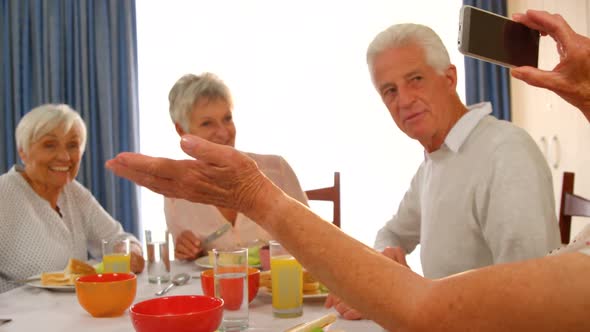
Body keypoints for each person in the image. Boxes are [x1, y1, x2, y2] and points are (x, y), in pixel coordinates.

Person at [106, 10, 590, 332]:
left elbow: (524, 308)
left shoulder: (504, 151)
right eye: (389, 91)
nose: (403, 101)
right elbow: (389, 232)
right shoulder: (436, 163)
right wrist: (388, 259)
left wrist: (398, 291)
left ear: (449, 78)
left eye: (414, 80)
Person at [0, 104, 144, 294]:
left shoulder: (75, 193)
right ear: (23, 152)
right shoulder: (4, 194)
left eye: (72, 145)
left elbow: (119, 239)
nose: (64, 156)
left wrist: (130, 252)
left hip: (75, 311)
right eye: (49, 145)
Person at [165, 73, 308, 260]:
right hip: (219, 287)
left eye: (227, 118)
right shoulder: (176, 194)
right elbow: (189, 261)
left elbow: (311, 237)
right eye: (207, 123)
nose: (224, 132)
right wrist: (187, 250)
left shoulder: (276, 170)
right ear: (181, 130)